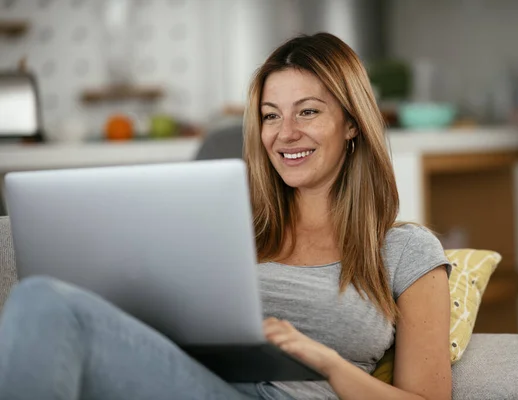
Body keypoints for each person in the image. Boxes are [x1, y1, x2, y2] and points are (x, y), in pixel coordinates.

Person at [0, 33, 451, 400]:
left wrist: (327, 363)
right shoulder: (228, 229)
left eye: (308, 112)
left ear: (352, 122)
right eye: (271, 116)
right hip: (191, 383)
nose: (286, 133)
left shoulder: (405, 251)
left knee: (45, 300)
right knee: (42, 298)